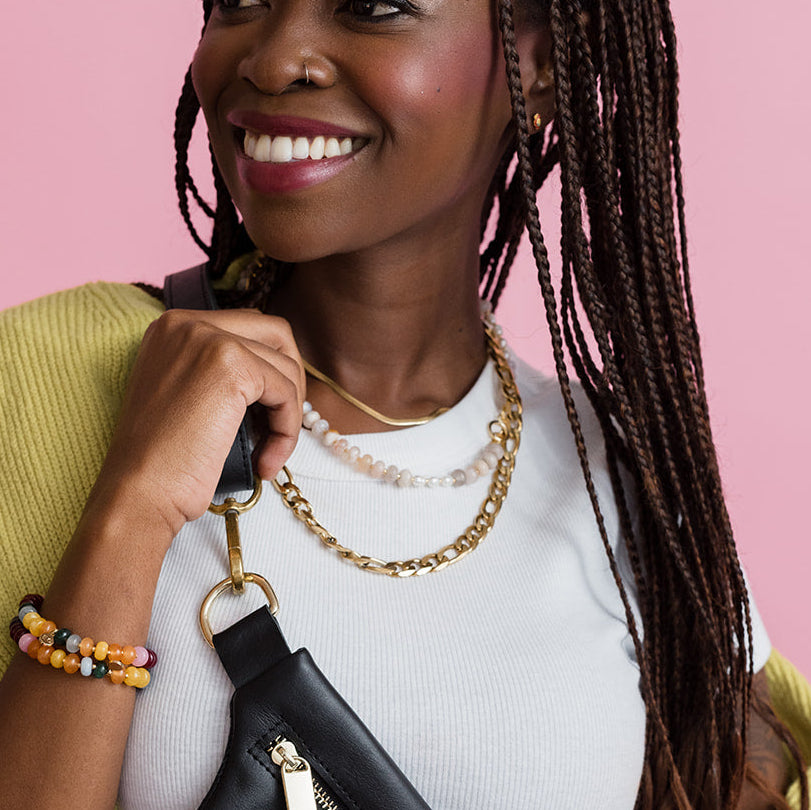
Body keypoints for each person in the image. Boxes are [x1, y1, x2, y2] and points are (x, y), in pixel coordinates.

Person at [0, 0, 808, 808]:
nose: (274, 60)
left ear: (537, 67)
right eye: (241, 0)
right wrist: (134, 509)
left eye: (373, 6)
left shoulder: (621, 486)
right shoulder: (45, 385)